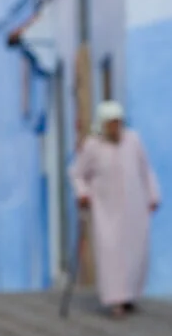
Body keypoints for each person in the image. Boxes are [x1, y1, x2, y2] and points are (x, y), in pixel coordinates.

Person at [69, 100, 161, 318]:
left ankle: (130, 296)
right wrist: (82, 193)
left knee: (136, 252)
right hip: (106, 209)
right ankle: (115, 300)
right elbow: (77, 173)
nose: (115, 128)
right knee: (111, 252)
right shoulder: (92, 146)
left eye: (118, 123)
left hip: (135, 206)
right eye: (111, 123)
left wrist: (153, 194)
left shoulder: (133, 141)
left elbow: (145, 169)